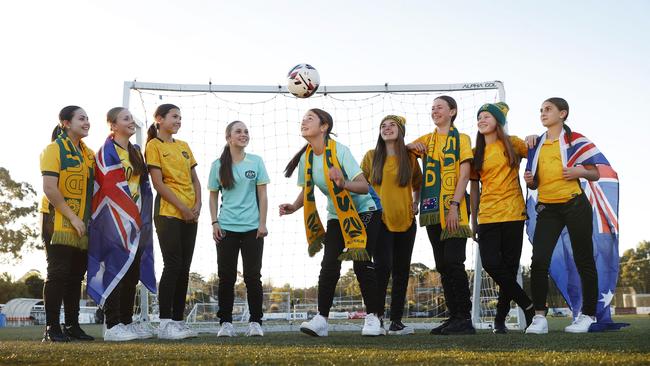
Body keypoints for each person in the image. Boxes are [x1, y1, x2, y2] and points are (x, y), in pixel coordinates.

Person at [279, 108, 383, 337]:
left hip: (366, 211)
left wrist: (342, 183)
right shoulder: (307, 157)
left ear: (324, 126)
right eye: (302, 117)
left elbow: (364, 187)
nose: (303, 121)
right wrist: (293, 207)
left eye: (309, 118)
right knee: (329, 265)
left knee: (360, 263)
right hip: (337, 214)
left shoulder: (340, 151)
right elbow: (307, 190)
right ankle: (321, 320)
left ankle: (374, 318)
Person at [523, 97, 600, 334]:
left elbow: (595, 173)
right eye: (541, 110)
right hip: (548, 209)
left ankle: (587, 315)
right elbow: (535, 183)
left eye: (548, 109)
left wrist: (579, 171)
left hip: (575, 205)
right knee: (539, 261)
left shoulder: (576, 140)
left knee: (583, 259)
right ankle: (539, 318)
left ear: (563, 113)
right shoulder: (535, 144)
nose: (543, 113)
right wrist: (531, 181)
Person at [408, 95, 475, 335]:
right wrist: (411, 147)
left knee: (454, 262)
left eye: (440, 107)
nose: (435, 111)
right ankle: (453, 315)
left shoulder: (462, 139)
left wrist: (455, 205)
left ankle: (465, 318)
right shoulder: (427, 140)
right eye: (433, 108)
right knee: (442, 265)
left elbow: (465, 174)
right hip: (431, 208)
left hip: (454, 207)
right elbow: (403, 150)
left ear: (452, 111)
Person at [88, 107, 156, 341]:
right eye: (125, 118)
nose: (131, 121)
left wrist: (142, 216)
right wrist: (127, 215)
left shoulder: (136, 151)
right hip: (114, 222)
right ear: (113, 125)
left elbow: (144, 186)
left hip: (137, 223)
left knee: (131, 273)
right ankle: (112, 325)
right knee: (115, 269)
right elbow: (107, 189)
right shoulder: (106, 152)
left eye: (131, 118)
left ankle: (126, 322)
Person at [469, 102, 535, 333]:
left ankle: (499, 320)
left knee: (508, 267)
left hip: (513, 212)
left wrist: (533, 138)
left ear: (498, 121)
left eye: (487, 116)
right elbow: (474, 189)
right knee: (490, 263)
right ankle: (528, 305)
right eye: (479, 117)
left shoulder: (512, 143)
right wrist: (473, 220)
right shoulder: (475, 152)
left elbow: (537, 156)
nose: (482, 120)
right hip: (487, 215)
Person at [360, 115, 421, 335]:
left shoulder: (410, 158)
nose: (387, 129)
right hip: (380, 221)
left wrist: (416, 202)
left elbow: (418, 184)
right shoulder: (371, 157)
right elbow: (359, 184)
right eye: (383, 126)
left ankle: (396, 322)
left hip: (406, 221)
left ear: (401, 130)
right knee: (382, 269)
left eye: (392, 125)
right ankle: (375, 318)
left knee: (401, 272)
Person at [208, 121, 269, 337]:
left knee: (253, 277)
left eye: (246, 131)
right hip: (226, 229)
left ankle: (255, 322)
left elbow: (262, 195)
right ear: (229, 138)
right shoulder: (218, 165)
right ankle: (225, 323)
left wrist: (262, 223)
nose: (243, 134)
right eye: (238, 131)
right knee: (226, 277)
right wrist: (214, 222)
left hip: (253, 229)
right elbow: (213, 196)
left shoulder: (256, 162)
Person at [145, 104, 201, 339]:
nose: (179, 120)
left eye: (181, 116)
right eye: (174, 116)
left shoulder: (184, 146)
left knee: (184, 269)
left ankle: (178, 321)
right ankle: (165, 323)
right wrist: (183, 208)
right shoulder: (153, 146)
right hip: (169, 212)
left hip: (191, 214)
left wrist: (196, 206)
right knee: (173, 265)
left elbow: (195, 180)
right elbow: (158, 184)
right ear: (159, 119)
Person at [40, 105, 95, 342]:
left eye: (88, 118)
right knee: (58, 273)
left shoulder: (88, 154)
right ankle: (52, 328)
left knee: (75, 276)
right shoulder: (53, 149)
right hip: (57, 219)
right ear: (65, 123)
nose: (87, 122)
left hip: (82, 220)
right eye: (81, 118)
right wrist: (72, 217)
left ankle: (72, 325)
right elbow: (50, 188)